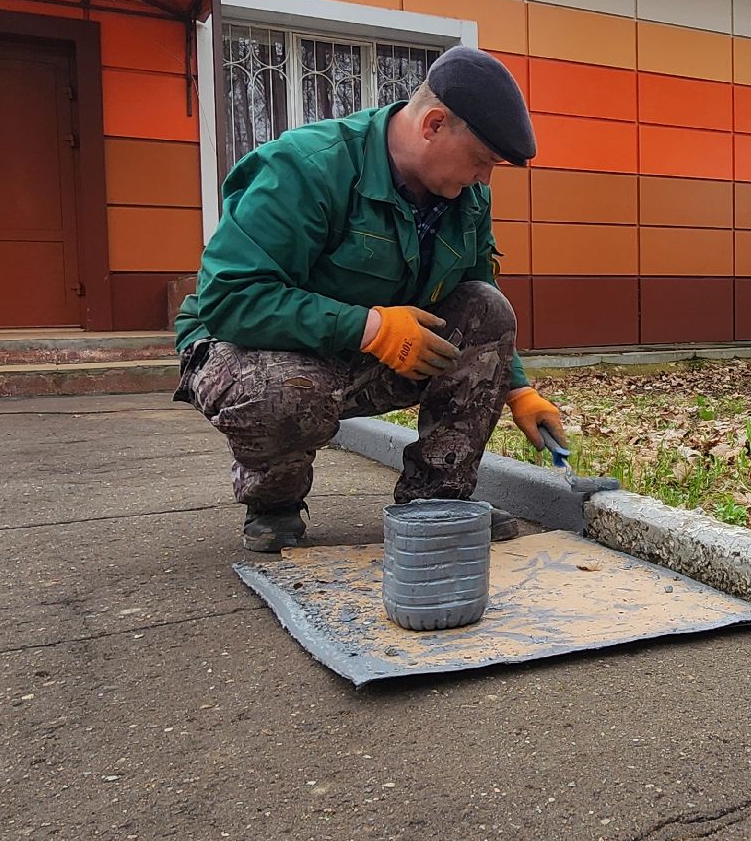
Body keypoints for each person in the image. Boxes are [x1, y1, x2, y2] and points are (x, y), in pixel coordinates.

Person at [172, 46, 567, 552]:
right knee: (286, 391)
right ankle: (274, 501)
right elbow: (230, 298)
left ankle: (436, 500)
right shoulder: (308, 167)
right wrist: (371, 329)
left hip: (363, 353)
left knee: (487, 306)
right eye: (480, 160)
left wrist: (518, 391)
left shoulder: (466, 199)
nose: (485, 178)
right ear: (433, 124)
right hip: (247, 351)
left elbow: (478, 296)